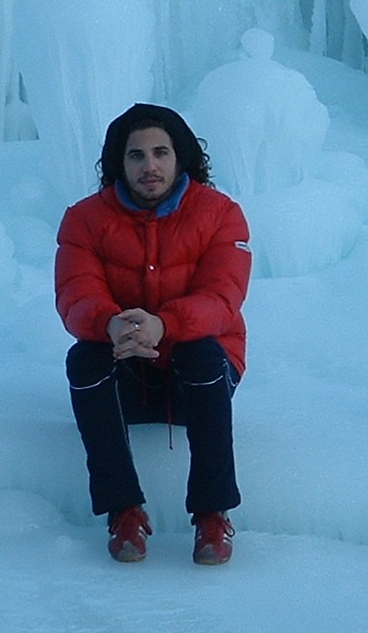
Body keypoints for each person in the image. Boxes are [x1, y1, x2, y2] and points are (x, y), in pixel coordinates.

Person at [55, 103, 250, 565]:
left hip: (198, 380)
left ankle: (211, 514)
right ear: (118, 164)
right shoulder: (84, 220)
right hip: (127, 369)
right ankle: (124, 511)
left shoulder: (221, 214)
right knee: (84, 359)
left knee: (202, 354)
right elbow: (74, 293)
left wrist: (166, 326)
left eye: (161, 152)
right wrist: (109, 322)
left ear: (180, 157)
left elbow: (223, 298)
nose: (150, 166)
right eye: (136, 155)